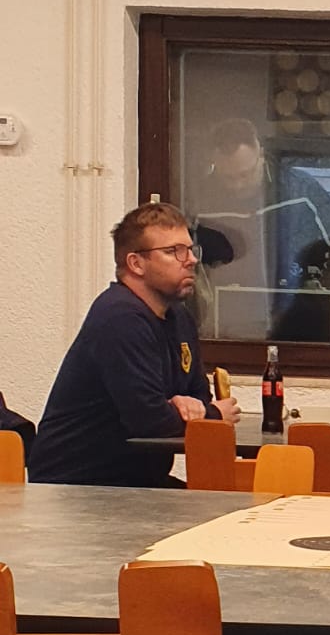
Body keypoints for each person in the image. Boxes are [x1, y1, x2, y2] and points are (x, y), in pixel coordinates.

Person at [29, 202, 240, 488]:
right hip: (77, 485)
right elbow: (150, 421)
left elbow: (198, 394)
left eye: (191, 250)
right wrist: (212, 414)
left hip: (134, 480)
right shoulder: (120, 317)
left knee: (226, 503)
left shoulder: (179, 318)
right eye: (173, 251)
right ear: (136, 263)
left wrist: (189, 406)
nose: (190, 260)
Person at [192, 118, 330, 339]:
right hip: (226, 328)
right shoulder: (200, 201)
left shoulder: (301, 191)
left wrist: (315, 302)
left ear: (261, 155)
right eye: (228, 178)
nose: (238, 185)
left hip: (297, 325)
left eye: (246, 174)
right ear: (214, 163)